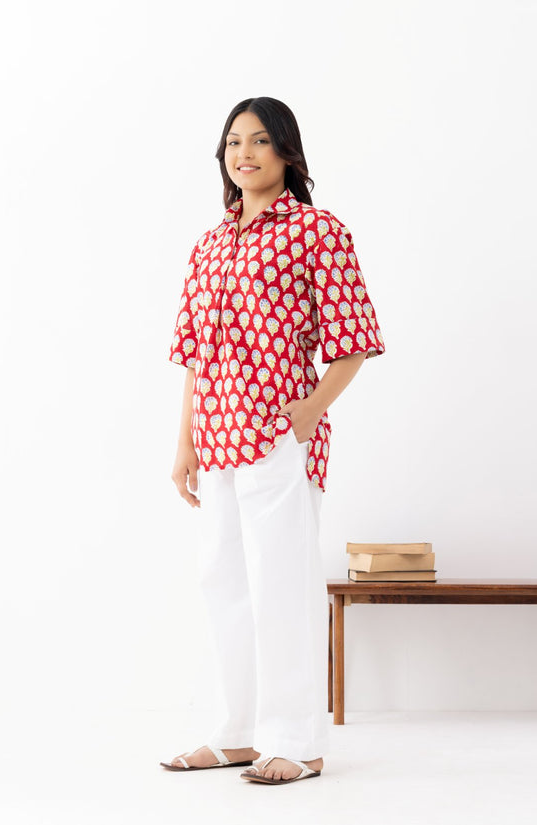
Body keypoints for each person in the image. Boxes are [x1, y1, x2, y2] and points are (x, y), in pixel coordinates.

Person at [160, 96, 385, 785]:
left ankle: (298, 741)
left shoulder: (318, 231)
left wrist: (311, 411)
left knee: (282, 584)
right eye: (233, 142)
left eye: (260, 140)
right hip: (218, 436)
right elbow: (198, 354)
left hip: (275, 438)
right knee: (223, 581)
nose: (244, 153)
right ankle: (237, 731)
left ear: (287, 151)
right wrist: (185, 443)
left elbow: (354, 337)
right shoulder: (210, 243)